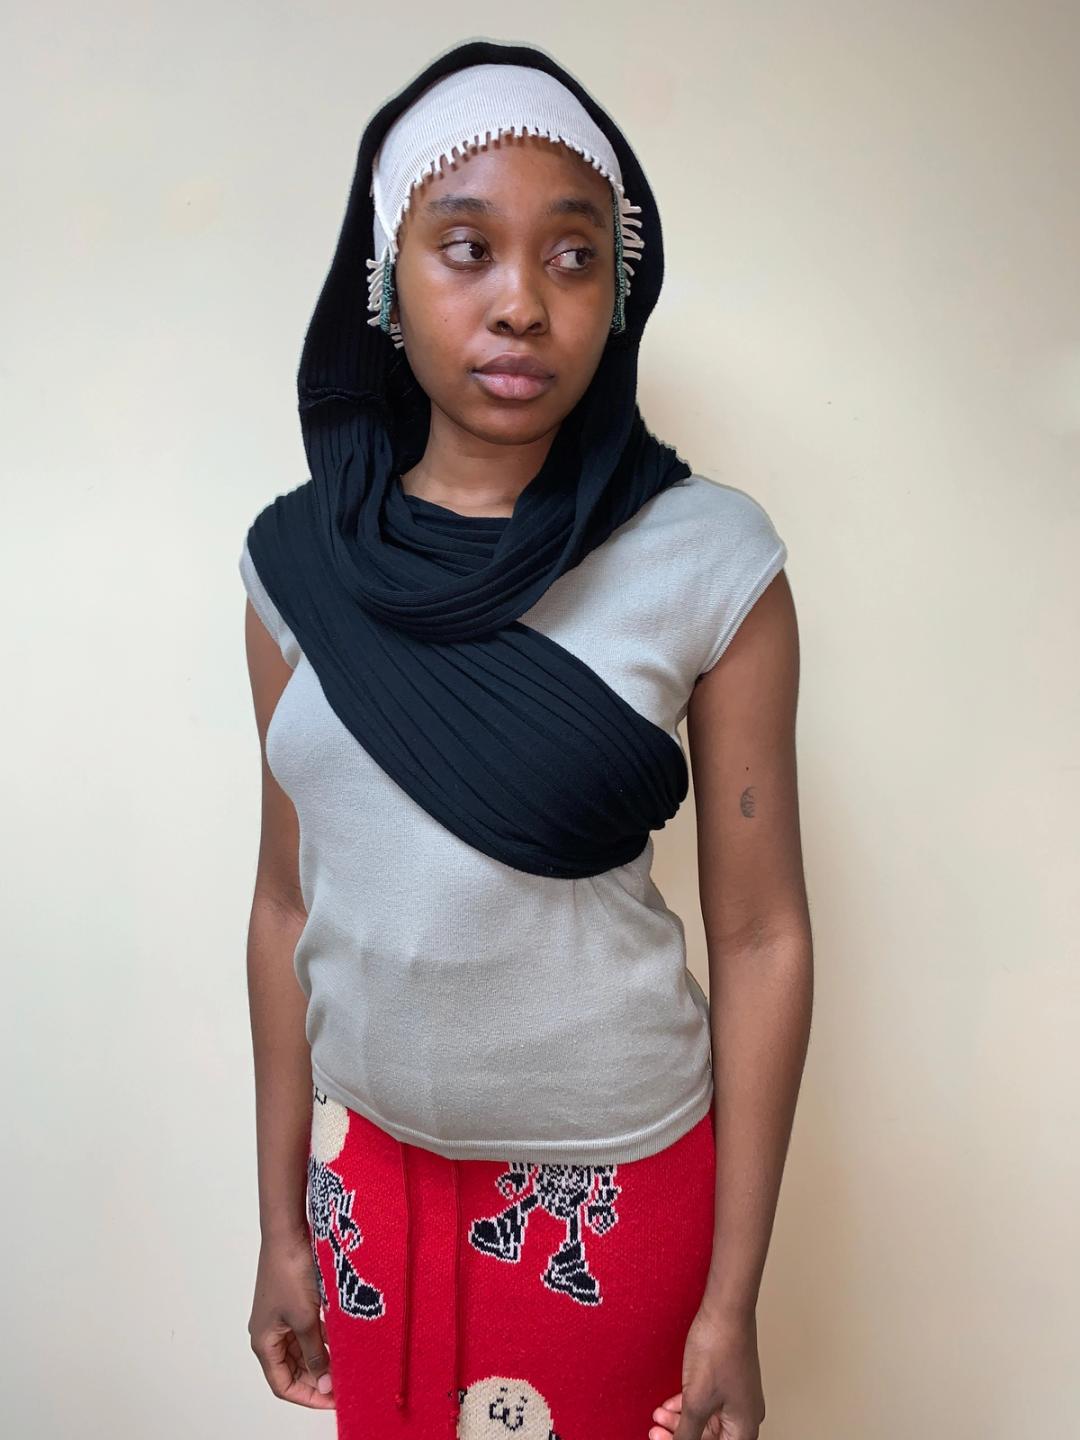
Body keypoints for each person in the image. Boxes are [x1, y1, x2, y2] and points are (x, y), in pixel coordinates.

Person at [239, 37, 812, 1440]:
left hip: (607, 1201)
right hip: (364, 1185)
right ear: (385, 281)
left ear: (616, 294)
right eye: (466, 249)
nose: (520, 301)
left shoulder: (709, 557)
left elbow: (761, 937)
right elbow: (285, 905)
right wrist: (281, 1224)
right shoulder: (295, 567)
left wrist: (734, 1297)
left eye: (571, 258)